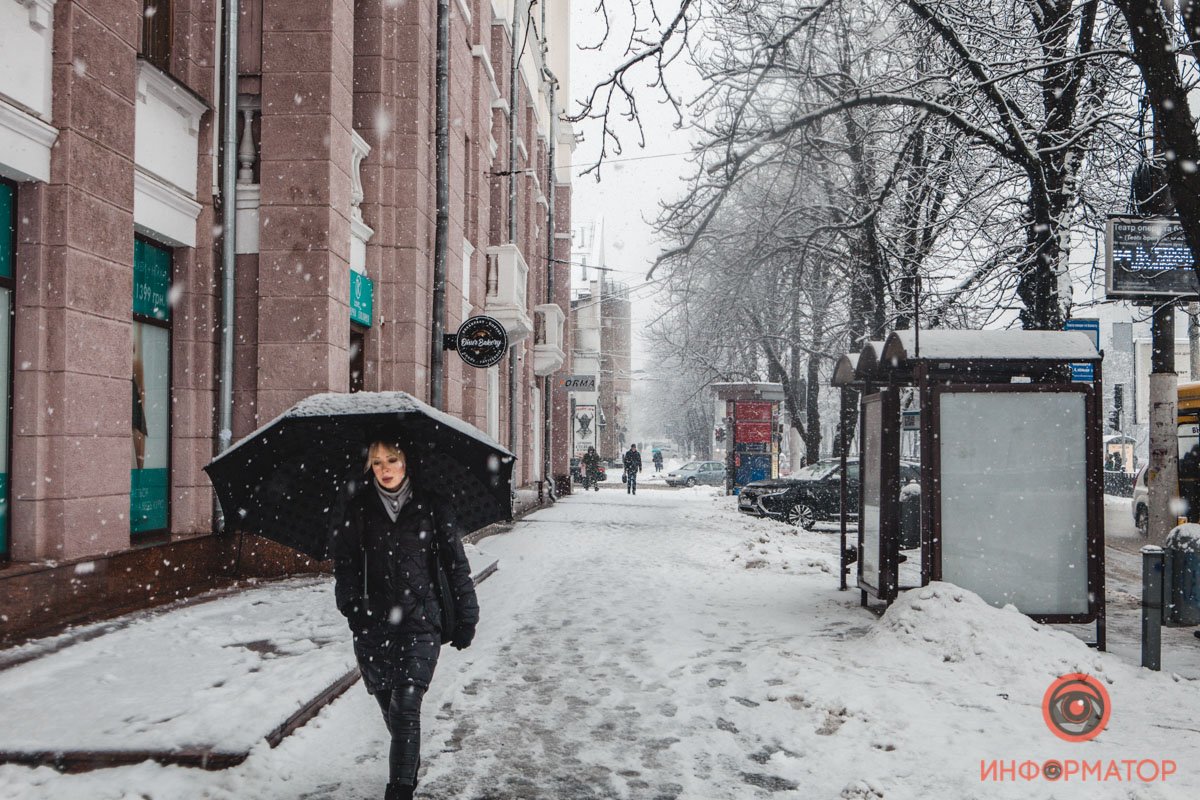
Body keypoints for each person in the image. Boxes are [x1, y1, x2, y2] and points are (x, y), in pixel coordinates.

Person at [333, 441, 480, 800]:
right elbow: (346, 566)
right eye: (378, 462)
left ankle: (399, 790)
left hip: (421, 621)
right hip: (373, 627)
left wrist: (467, 617)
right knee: (391, 707)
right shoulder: (358, 510)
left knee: (406, 704)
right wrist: (352, 605)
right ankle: (407, 763)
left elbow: (456, 565)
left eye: (393, 460)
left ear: (407, 461)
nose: (385, 468)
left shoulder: (433, 506)